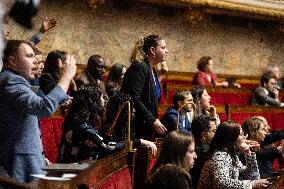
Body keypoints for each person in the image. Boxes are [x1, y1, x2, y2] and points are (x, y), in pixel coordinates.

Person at [0, 40, 76, 182]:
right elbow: (44, 108)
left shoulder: (15, 80)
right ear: (12, 61)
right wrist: (66, 77)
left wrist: (38, 157)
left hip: (27, 158)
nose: (35, 61)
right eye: (29, 56)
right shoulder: (11, 81)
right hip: (19, 162)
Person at [58, 85, 156, 163]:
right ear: (93, 103)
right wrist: (139, 142)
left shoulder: (77, 121)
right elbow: (107, 147)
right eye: (101, 98)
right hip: (72, 172)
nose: (104, 101)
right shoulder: (82, 127)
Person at [121, 35, 168, 140]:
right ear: (152, 50)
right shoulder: (140, 67)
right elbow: (133, 98)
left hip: (145, 126)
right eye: (163, 48)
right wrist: (152, 120)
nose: (166, 51)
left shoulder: (152, 69)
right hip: (134, 126)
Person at [197, 121, 269, 189]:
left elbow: (253, 177)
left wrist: (248, 153)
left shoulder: (231, 155)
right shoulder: (220, 156)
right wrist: (251, 184)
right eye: (241, 134)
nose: (244, 138)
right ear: (232, 138)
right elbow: (221, 183)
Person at [191, 115, 217, 188]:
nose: (216, 134)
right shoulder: (204, 152)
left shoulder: (194, 145)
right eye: (214, 131)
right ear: (203, 135)